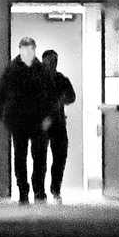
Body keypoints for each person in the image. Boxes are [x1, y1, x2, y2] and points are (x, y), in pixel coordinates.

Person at [0, 36, 50, 203]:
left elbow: (48, 95)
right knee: (21, 156)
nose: (27, 52)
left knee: (38, 156)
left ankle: (38, 189)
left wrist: (48, 116)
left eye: (30, 49)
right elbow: (2, 92)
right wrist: (0, 113)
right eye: (25, 49)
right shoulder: (13, 69)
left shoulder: (38, 70)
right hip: (19, 118)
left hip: (35, 119)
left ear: (34, 49)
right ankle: (24, 190)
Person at [39, 48, 76, 201]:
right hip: (41, 125)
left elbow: (72, 97)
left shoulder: (61, 79)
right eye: (49, 61)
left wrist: (62, 100)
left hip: (58, 124)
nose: (52, 65)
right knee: (40, 158)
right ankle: (39, 191)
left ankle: (55, 188)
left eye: (54, 61)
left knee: (60, 157)